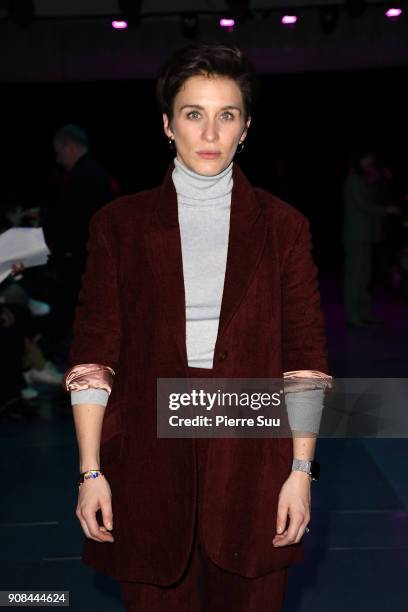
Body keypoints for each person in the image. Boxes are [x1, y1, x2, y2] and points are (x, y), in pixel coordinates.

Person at [63, 43, 330, 611]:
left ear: (246, 127)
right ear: (167, 124)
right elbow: (94, 356)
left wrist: (300, 470)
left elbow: (304, 361)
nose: (210, 131)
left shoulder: (285, 228)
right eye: (193, 113)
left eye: (226, 114)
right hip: (146, 465)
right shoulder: (120, 226)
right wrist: (90, 472)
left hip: (255, 466)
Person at [44, 124, 115, 329]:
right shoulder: (96, 171)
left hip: (84, 263)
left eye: (59, 153)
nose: (58, 160)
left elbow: (75, 224)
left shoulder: (82, 177)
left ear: (70, 148)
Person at [343, 147, 398, 328]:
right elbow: (364, 204)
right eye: (367, 159)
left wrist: (380, 180)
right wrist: (386, 210)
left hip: (366, 234)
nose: (370, 162)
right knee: (356, 275)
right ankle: (353, 315)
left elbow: (375, 197)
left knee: (365, 275)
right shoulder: (353, 178)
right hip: (356, 235)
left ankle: (364, 313)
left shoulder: (363, 178)